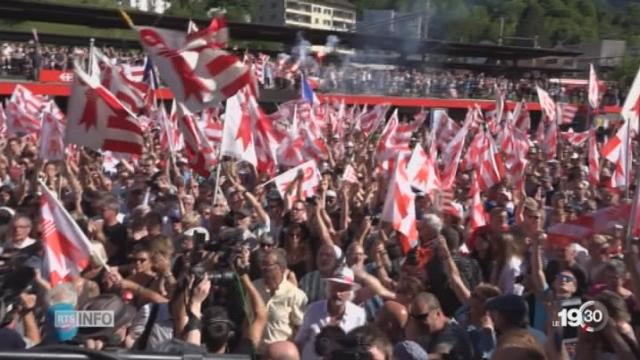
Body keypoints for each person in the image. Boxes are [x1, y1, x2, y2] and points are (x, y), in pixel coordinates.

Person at [295, 266, 366, 360]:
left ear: (350, 292)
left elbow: (359, 347)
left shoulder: (358, 314)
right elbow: (300, 341)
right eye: (335, 287)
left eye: (343, 289)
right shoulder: (313, 309)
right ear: (328, 288)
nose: (337, 293)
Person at [253, 249, 308, 347]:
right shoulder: (254, 288)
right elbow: (247, 321)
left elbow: (301, 329)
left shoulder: (294, 294)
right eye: (262, 265)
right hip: (256, 352)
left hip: (280, 353)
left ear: (281, 268)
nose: (263, 269)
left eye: (268, 265)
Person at [405, 292, 473, 359]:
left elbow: (441, 355)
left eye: (422, 317)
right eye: (413, 317)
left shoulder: (452, 332)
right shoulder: (428, 331)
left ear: (437, 313)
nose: (417, 322)